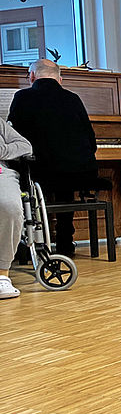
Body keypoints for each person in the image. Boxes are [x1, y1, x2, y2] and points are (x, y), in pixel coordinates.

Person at [8, 59, 99, 257]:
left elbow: (16, 139)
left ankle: (27, 247)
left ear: (32, 77)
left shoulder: (22, 97)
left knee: (19, 176)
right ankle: (66, 243)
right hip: (79, 170)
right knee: (65, 180)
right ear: (60, 79)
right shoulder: (73, 98)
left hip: (40, 169)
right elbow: (92, 143)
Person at [0, 119, 33, 299]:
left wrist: (2, 152)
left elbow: (25, 146)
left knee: (10, 206)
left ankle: (2, 274)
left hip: (0, 171)